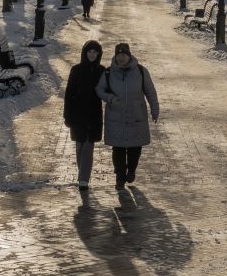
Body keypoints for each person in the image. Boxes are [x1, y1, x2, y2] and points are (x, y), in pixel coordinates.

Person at [96, 42, 158, 190]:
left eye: (124, 55)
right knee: (118, 149)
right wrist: (110, 98)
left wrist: (155, 109)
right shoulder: (109, 73)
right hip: (115, 117)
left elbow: (150, 91)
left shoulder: (141, 71)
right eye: (119, 55)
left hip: (136, 115)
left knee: (135, 148)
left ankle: (131, 170)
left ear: (129, 56)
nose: (121, 58)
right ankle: (120, 176)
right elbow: (99, 89)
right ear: (115, 56)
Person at [64, 40, 105, 191]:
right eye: (90, 52)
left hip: (93, 114)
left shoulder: (102, 70)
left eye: (95, 52)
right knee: (79, 145)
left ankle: (83, 179)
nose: (92, 55)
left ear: (99, 54)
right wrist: (67, 115)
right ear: (85, 53)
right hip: (77, 114)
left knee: (88, 145)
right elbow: (69, 94)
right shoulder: (76, 70)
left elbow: (107, 90)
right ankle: (82, 172)